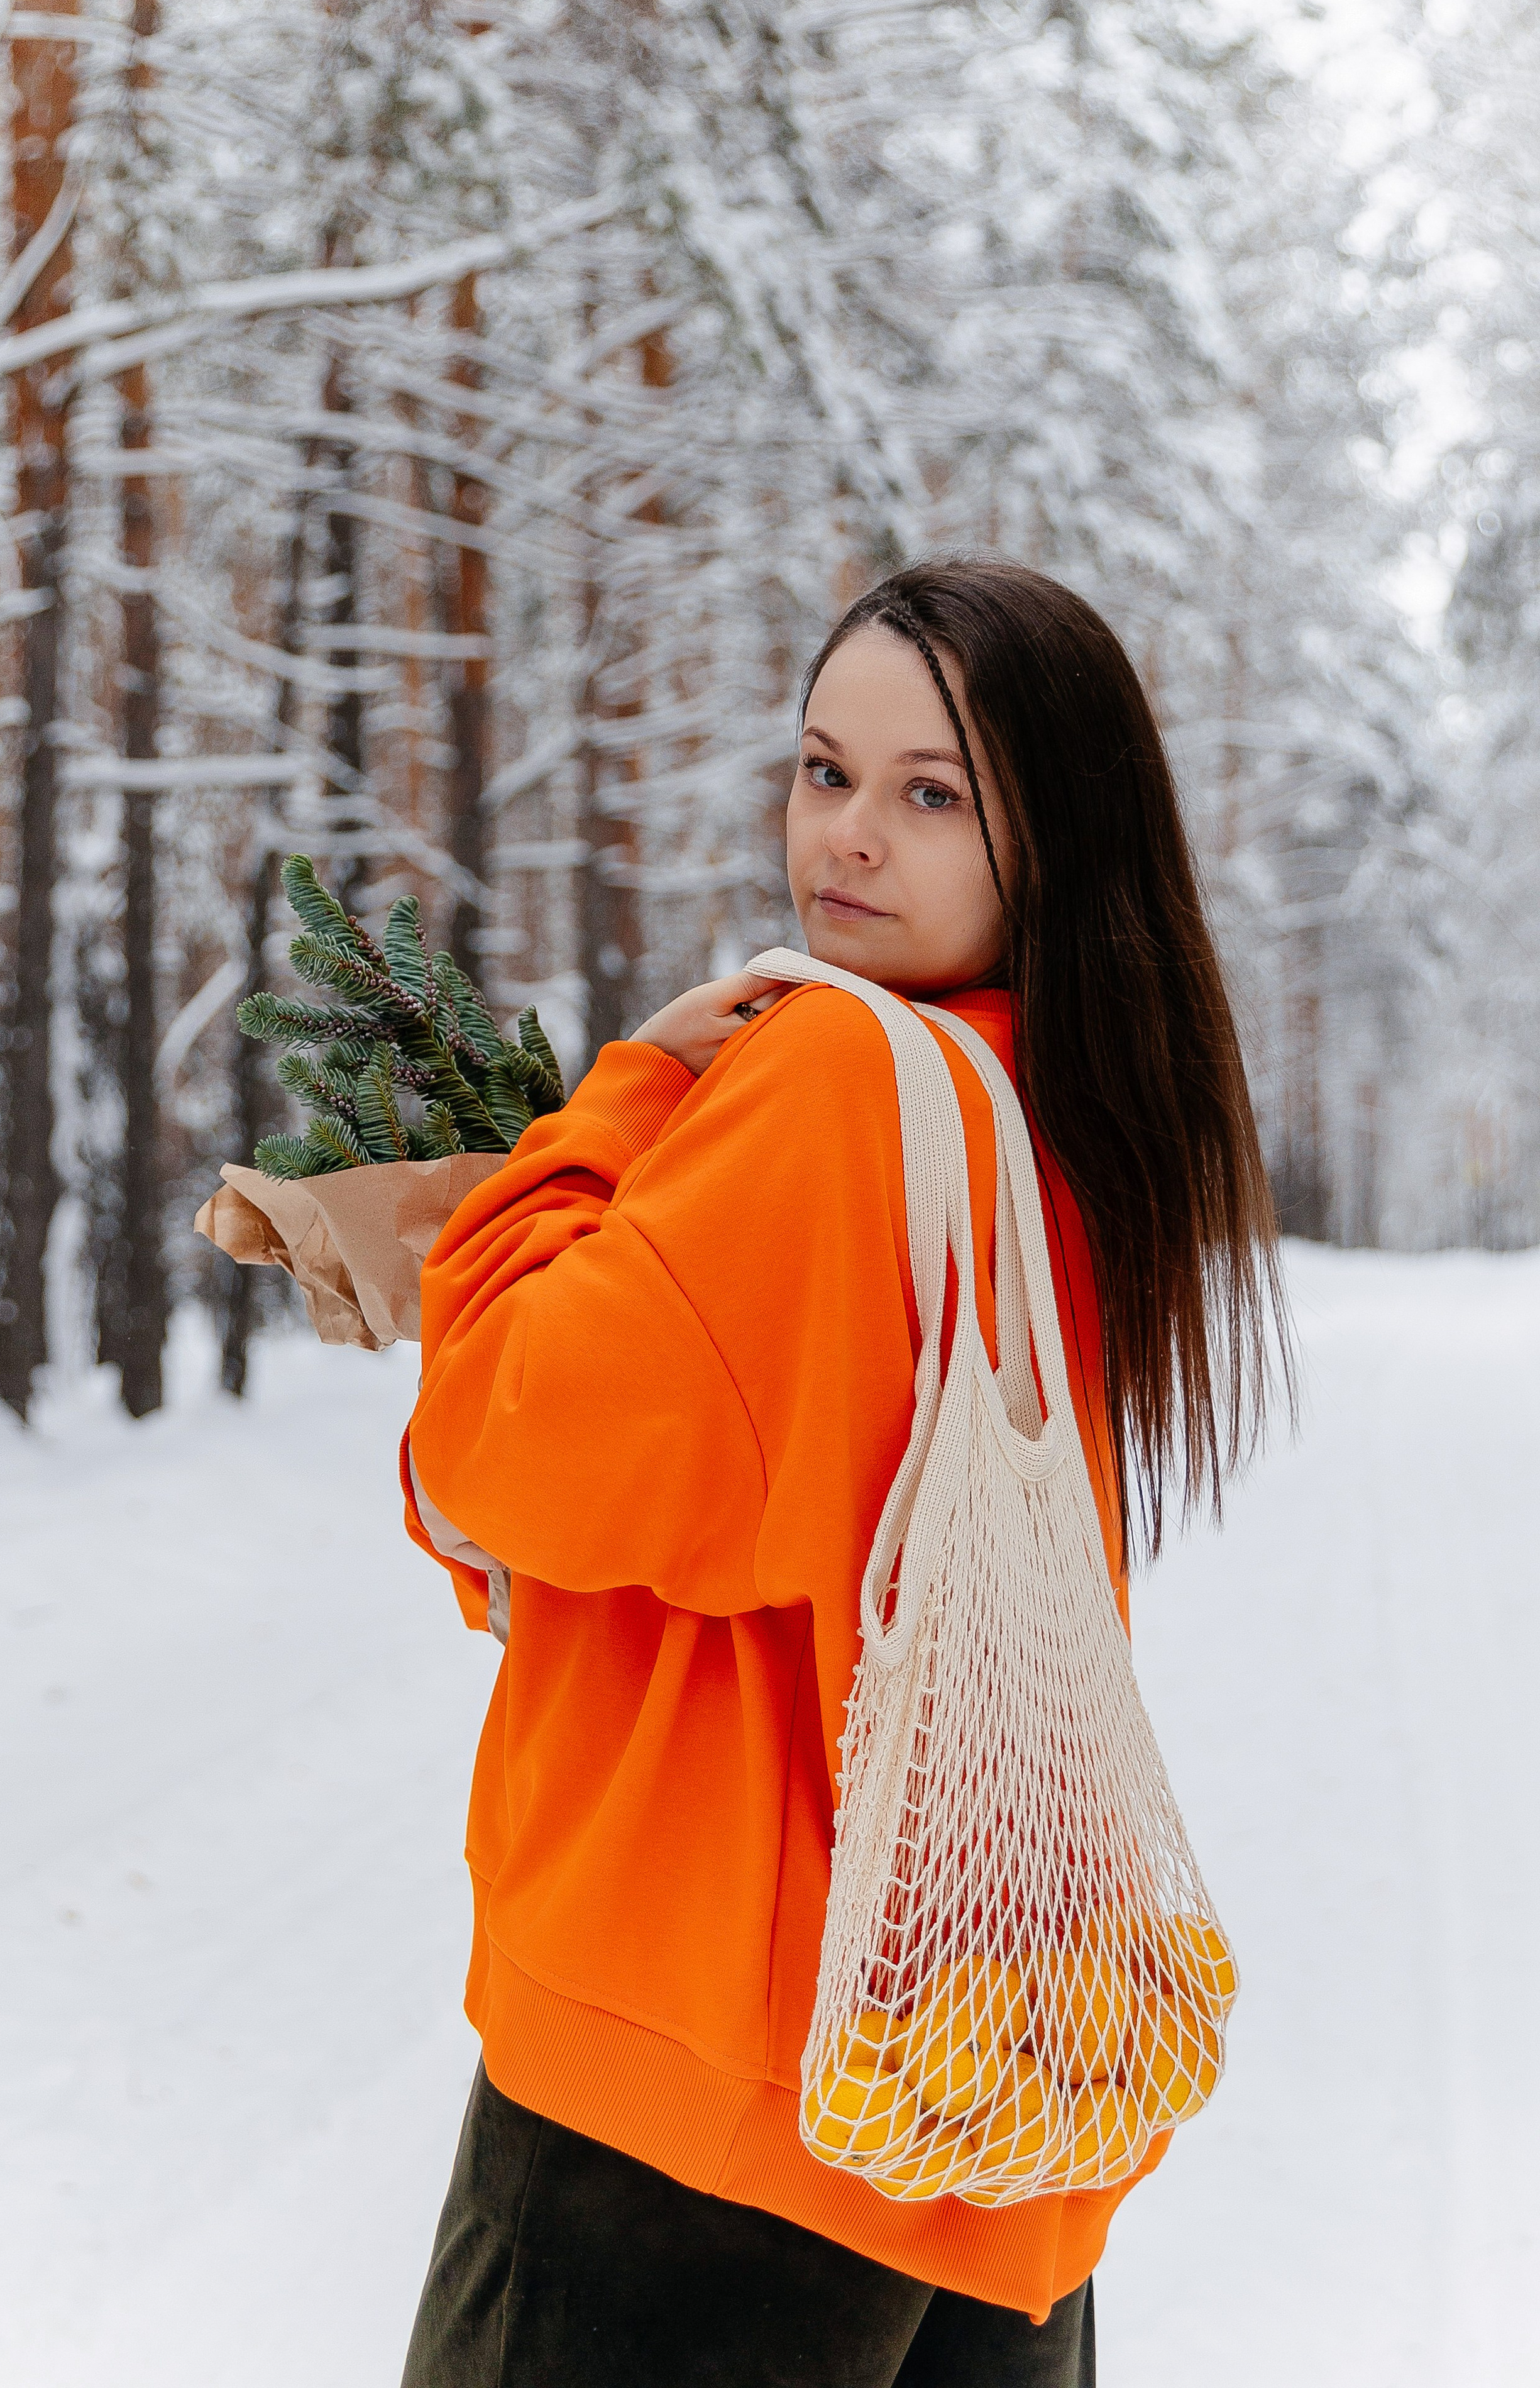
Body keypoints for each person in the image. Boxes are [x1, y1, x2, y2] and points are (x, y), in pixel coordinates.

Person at [398, 560, 1286, 2386]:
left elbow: (502, 1448)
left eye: (930, 791)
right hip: (979, 2078)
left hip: (708, 2099)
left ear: (1056, 838)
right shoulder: (1074, 1105)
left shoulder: (827, 1085)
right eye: (823, 772)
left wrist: (624, 1102)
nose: (848, 840)